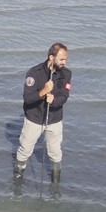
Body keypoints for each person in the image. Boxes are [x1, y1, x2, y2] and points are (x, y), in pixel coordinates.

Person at [14, 43, 72, 184]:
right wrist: (43, 92)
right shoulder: (34, 73)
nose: (64, 63)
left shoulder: (66, 74)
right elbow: (28, 99)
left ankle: (55, 184)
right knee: (25, 150)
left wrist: (54, 100)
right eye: (61, 59)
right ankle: (17, 181)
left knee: (55, 152)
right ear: (51, 57)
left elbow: (64, 96)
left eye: (66, 60)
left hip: (55, 119)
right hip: (34, 118)